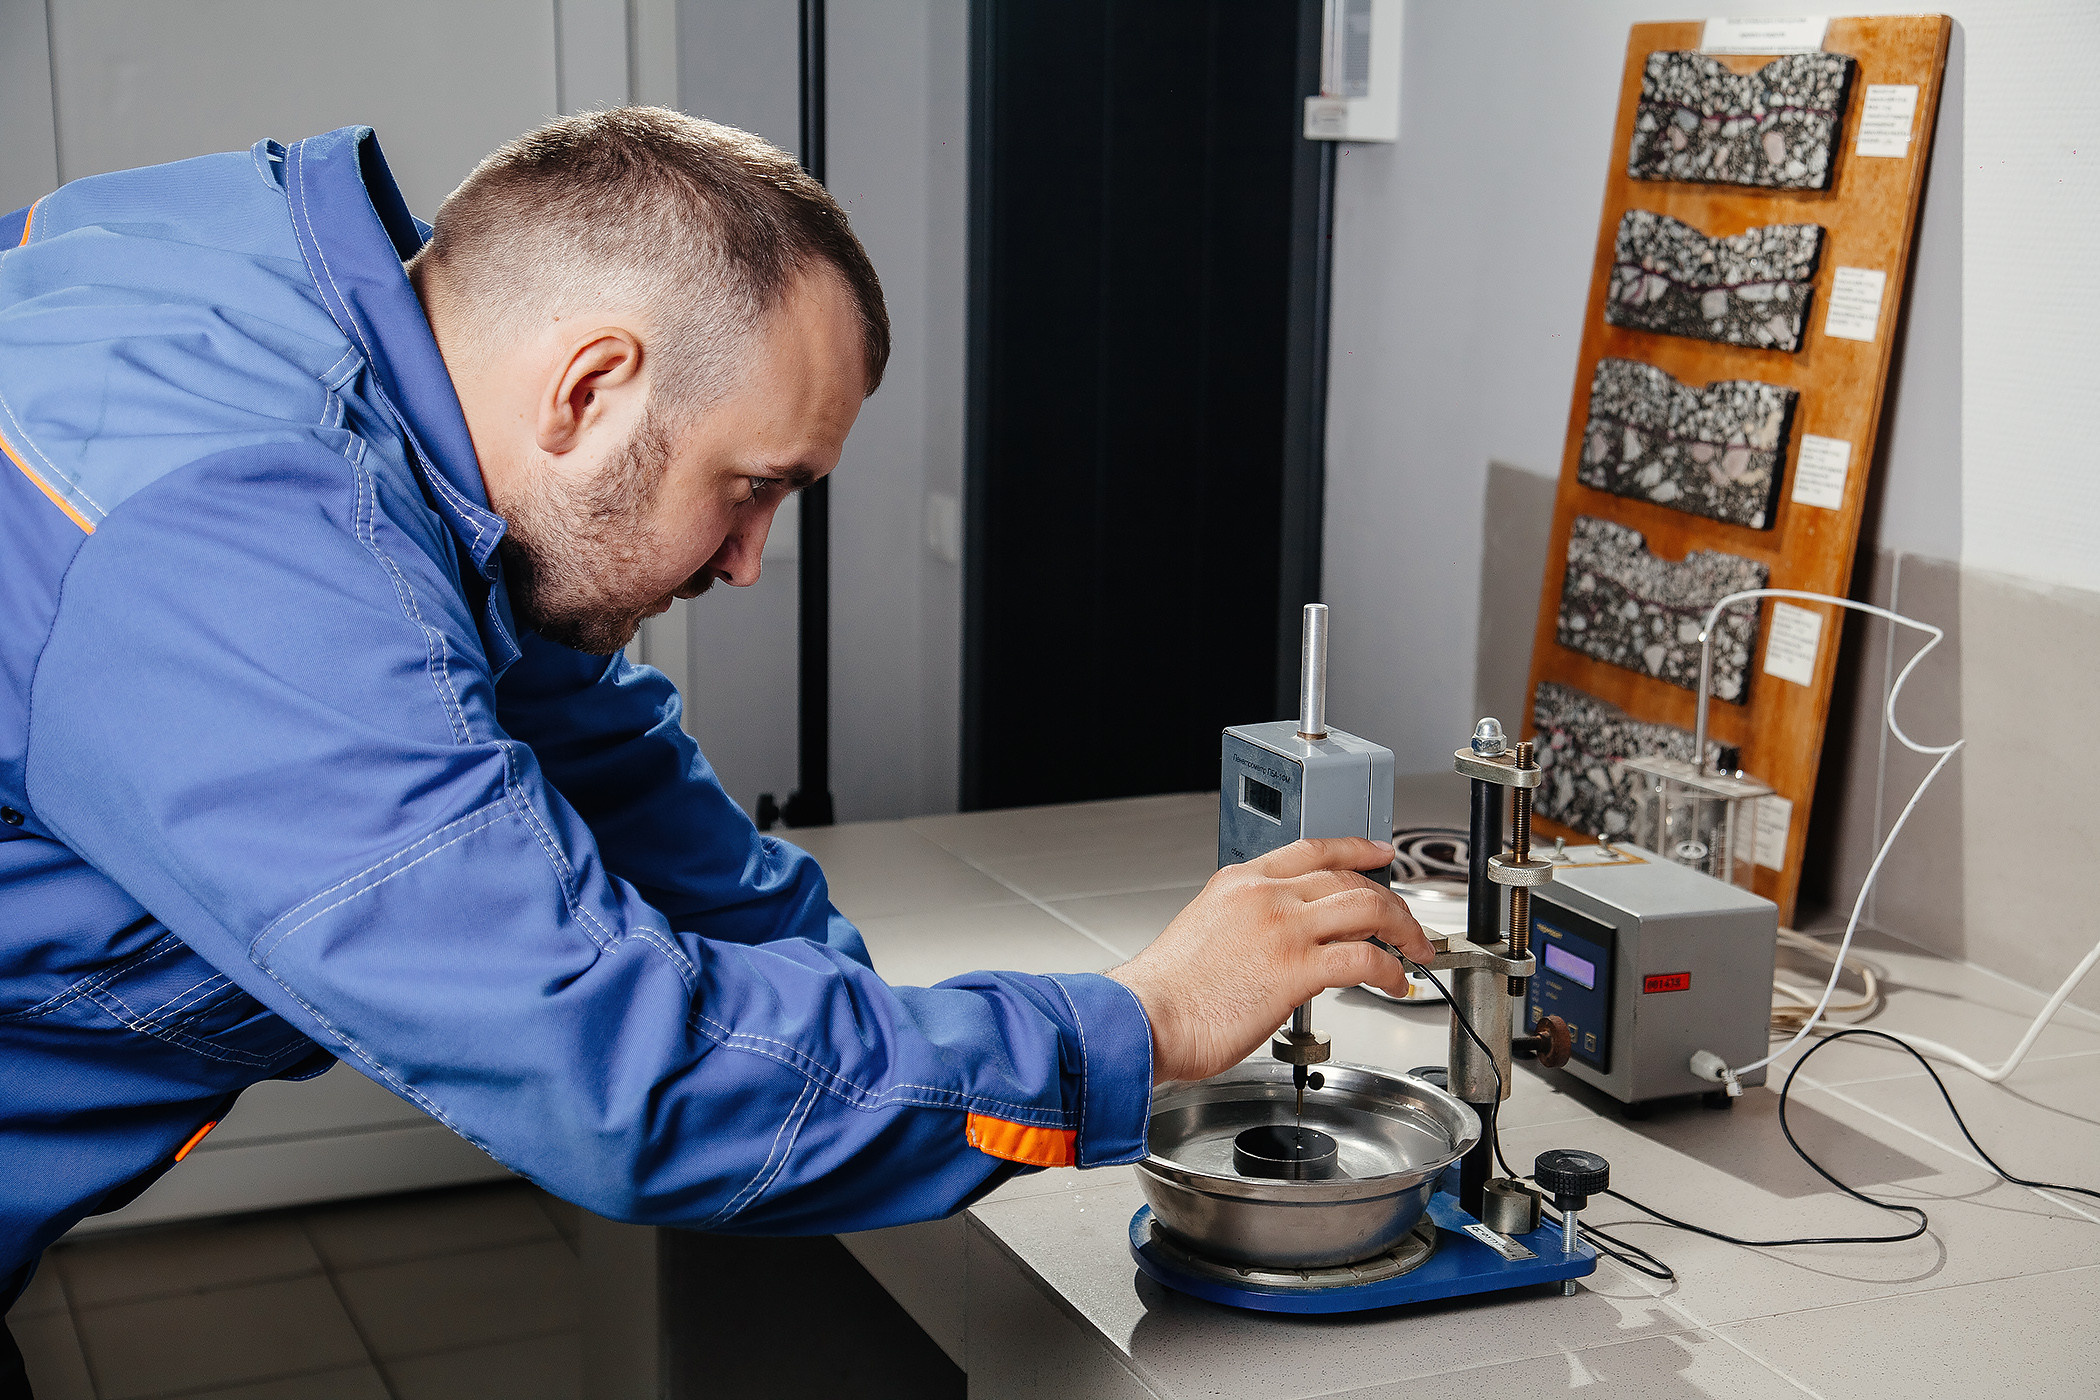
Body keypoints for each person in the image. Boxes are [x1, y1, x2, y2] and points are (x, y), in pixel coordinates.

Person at [0, 108, 1427, 1326]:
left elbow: (608, 765)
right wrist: (1139, 1024)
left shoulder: (355, 367)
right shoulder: (236, 549)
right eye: (752, 488)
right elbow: (615, 1073)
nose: (749, 562)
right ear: (592, 386)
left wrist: (864, 1035)